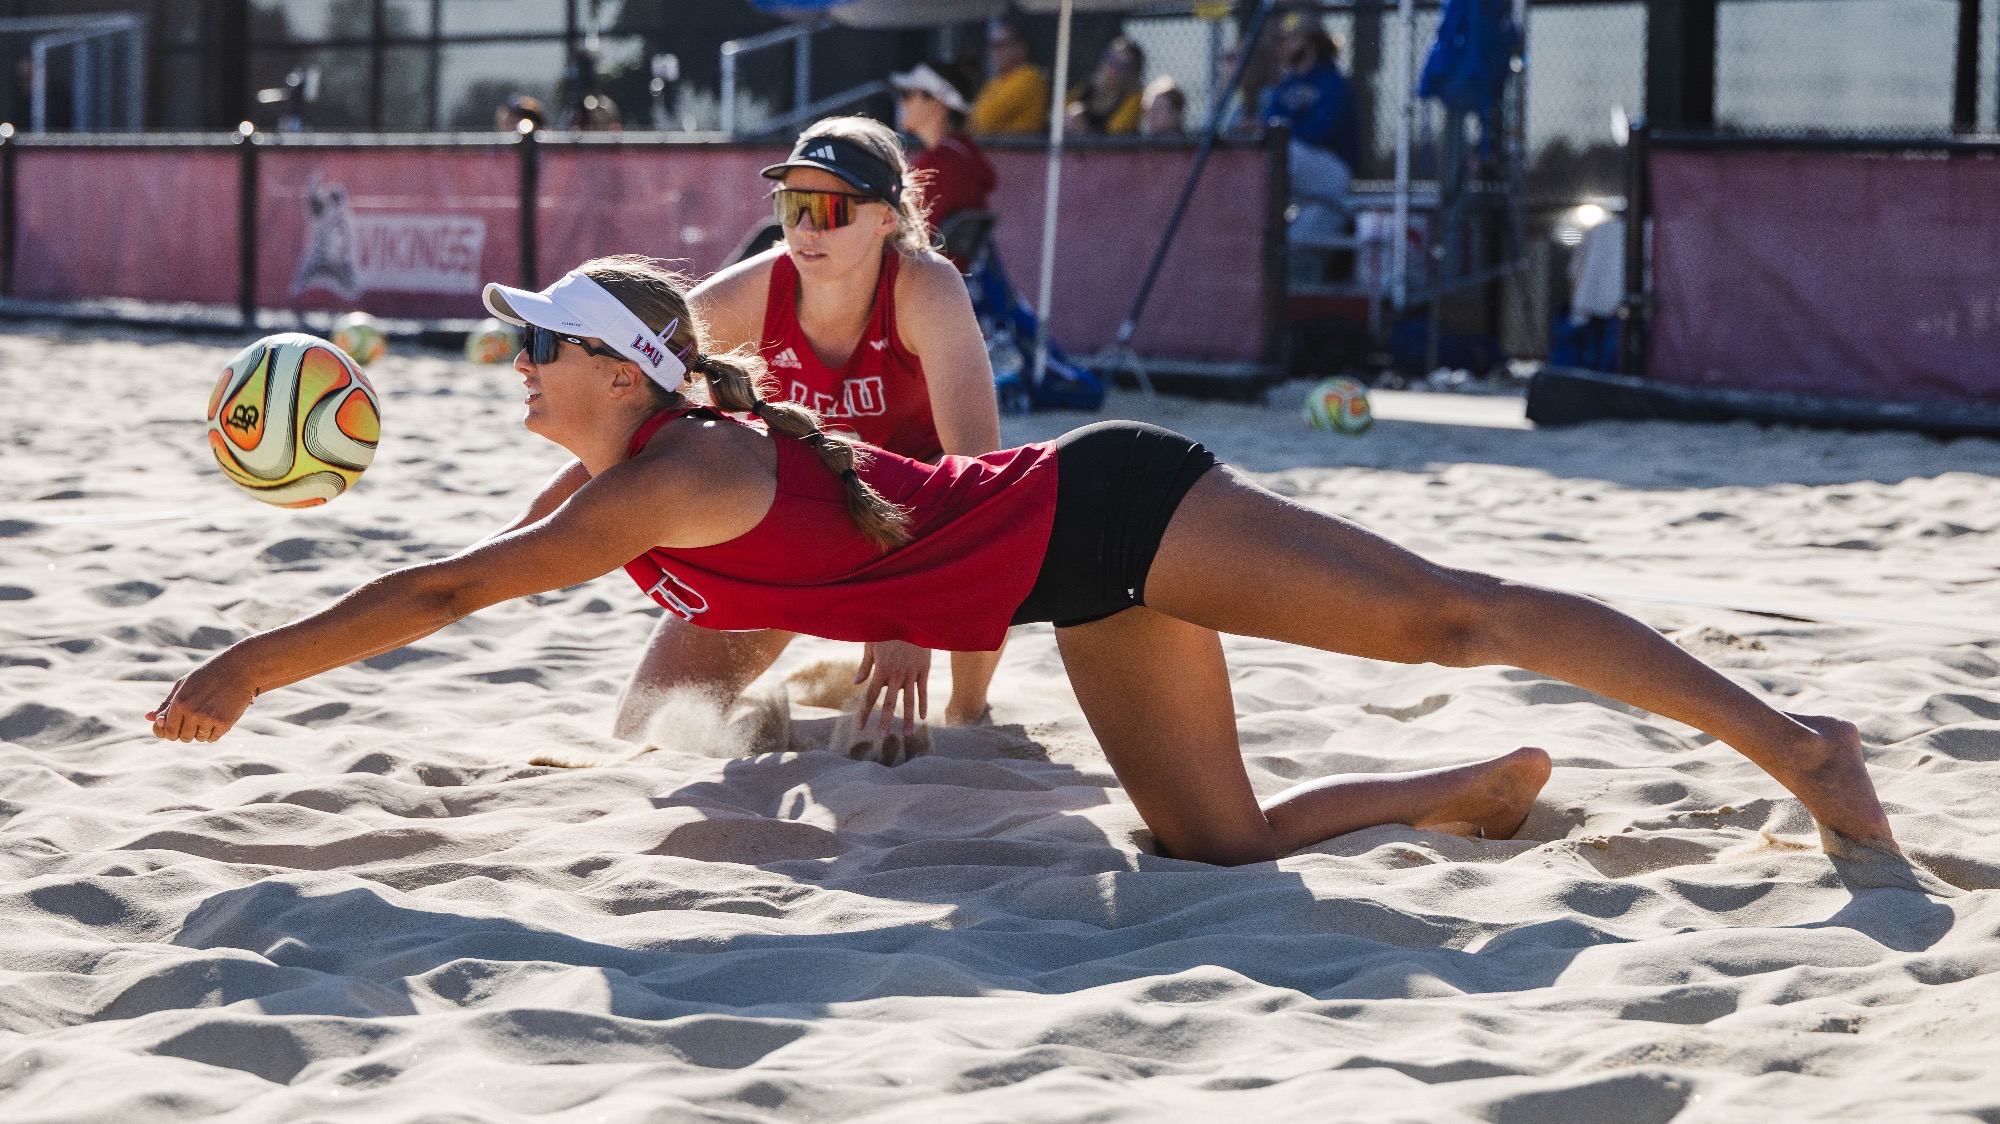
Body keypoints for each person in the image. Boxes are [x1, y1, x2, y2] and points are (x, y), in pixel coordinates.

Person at [147, 258, 1899, 868]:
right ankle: (1462, 794)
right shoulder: (624, 474)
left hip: (1112, 505)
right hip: (1073, 587)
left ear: (624, 372)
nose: (516, 363)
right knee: (1212, 846)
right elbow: (459, 566)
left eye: (543, 344)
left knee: (1450, 616)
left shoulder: (672, 475)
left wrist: (244, 668)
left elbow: (443, 597)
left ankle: (1797, 742)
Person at [620, 117, 1006, 737]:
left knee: (1005, 535)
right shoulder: (758, 286)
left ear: (886, 218)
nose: (804, 227)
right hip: (802, 515)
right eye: (790, 204)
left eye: (828, 208)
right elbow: (632, 374)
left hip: (921, 521)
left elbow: (979, 474)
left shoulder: (927, 287)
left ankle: (969, 714)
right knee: (645, 724)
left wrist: (906, 606)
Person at [1260, 14, 1362, 240]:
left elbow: (1319, 132)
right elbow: (1267, 125)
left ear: (1307, 42)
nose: (1281, 47)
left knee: (1284, 151)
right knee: (1294, 247)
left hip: (1333, 172)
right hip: (1310, 192)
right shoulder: (1286, 85)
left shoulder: (1333, 82)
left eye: (1287, 39)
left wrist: (1276, 132)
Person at [892, 61, 997, 229]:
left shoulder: (937, 165)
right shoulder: (964, 154)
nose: (902, 103)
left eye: (908, 95)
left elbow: (911, 236)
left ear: (937, 101)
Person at [968, 15, 1050, 136]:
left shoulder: (1029, 77)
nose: (995, 52)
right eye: (992, 47)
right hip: (992, 145)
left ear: (1021, 47)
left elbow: (984, 121)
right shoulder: (996, 81)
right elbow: (972, 120)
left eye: (1001, 45)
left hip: (1019, 146)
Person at [1066, 36, 1145, 136]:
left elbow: (1116, 132)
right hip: (1072, 142)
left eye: (1123, 65)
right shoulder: (1089, 85)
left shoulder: (1135, 96)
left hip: (1107, 145)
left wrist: (1084, 129)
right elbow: (1061, 112)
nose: (1114, 69)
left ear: (1133, 72)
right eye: (1111, 60)